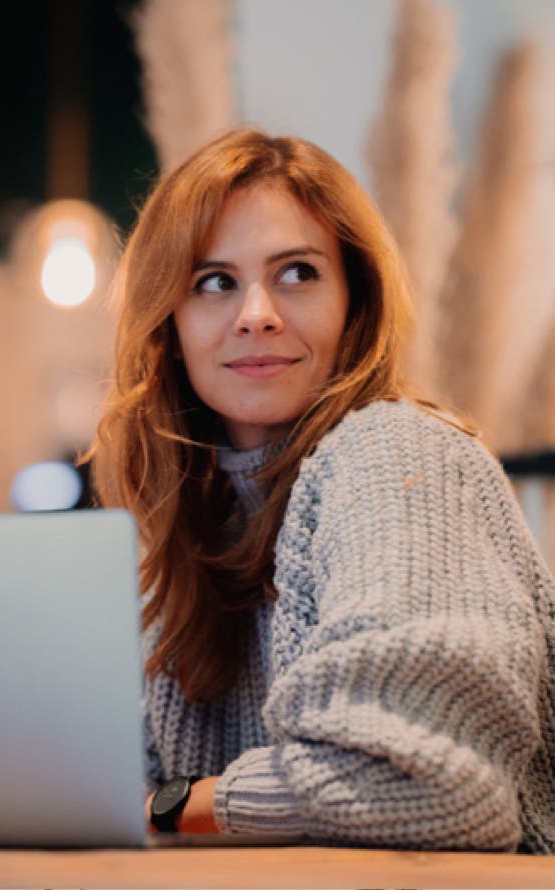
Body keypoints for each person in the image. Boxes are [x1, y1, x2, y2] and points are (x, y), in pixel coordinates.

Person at [89, 127, 555, 851]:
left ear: (355, 302)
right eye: (214, 282)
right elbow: (111, 782)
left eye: (298, 273)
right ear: (168, 326)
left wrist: (167, 807)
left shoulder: (396, 455)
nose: (256, 314)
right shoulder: (190, 522)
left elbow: (420, 785)